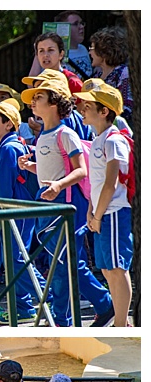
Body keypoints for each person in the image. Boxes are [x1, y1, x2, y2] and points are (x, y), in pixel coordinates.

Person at [17, 70, 114, 326]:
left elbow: (79, 169)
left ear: (54, 101)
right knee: (60, 263)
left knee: (68, 262)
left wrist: (58, 185)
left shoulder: (64, 133)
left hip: (65, 204)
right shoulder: (43, 135)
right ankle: (72, 316)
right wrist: (32, 168)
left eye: (39, 96)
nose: (33, 101)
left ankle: (97, 307)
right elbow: (52, 170)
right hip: (51, 202)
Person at [0, 99, 44, 321]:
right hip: (15, 210)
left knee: (16, 258)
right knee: (13, 257)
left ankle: (50, 296)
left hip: (15, 211)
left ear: (9, 124)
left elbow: (4, 187)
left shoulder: (8, 148)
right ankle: (24, 309)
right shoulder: (9, 145)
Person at [75, 81, 132, 328]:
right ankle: (120, 321)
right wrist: (91, 211)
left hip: (114, 212)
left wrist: (97, 215)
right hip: (100, 212)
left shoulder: (113, 140)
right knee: (107, 270)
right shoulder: (98, 139)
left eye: (89, 105)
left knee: (117, 269)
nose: (83, 108)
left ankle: (121, 323)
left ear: (104, 111)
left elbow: (111, 183)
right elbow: (95, 184)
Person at [88, 27, 132, 118]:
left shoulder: (123, 74)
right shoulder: (97, 76)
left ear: (103, 51)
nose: (89, 52)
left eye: (92, 48)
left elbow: (127, 108)